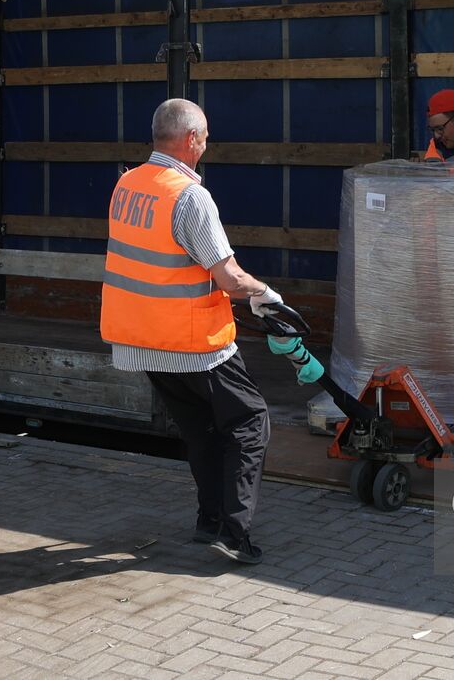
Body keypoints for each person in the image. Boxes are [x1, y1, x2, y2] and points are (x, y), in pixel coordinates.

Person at [100, 98, 282, 565]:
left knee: (202, 431)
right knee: (250, 422)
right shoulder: (189, 196)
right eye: (205, 136)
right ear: (191, 140)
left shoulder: (127, 185)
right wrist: (266, 295)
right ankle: (234, 533)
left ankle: (209, 522)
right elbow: (229, 278)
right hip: (193, 344)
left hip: (140, 341)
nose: (207, 143)